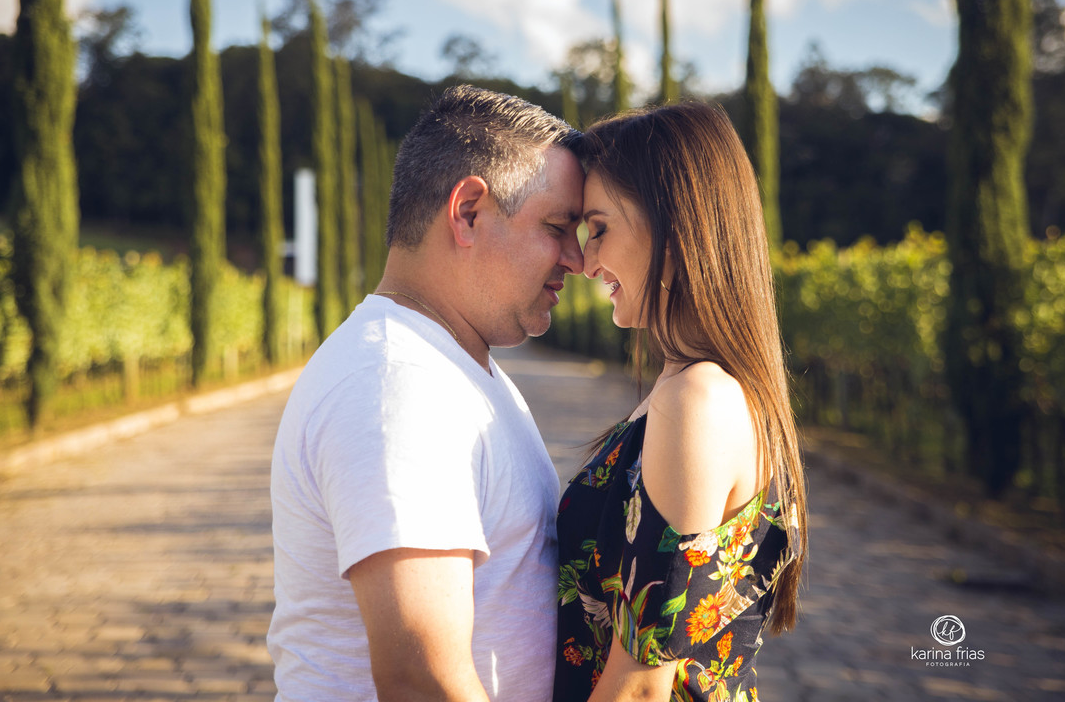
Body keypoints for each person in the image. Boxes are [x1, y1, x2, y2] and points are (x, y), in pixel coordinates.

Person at [268, 85, 585, 702]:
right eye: (556, 227)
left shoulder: (448, 365)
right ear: (467, 211)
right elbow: (422, 679)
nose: (575, 258)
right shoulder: (396, 385)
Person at [554, 101, 808, 702]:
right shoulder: (704, 388)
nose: (587, 262)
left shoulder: (697, 399)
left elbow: (641, 686)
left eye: (600, 228)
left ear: (674, 223)